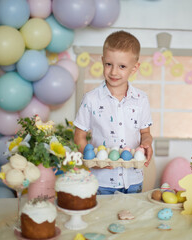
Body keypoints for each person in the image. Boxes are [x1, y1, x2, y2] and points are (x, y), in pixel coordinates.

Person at [74, 30, 153, 195]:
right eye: (109, 64)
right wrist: (91, 160)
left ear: (134, 67)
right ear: (102, 61)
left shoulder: (141, 99)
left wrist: (147, 143)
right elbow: (79, 135)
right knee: (101, 219)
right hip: (101, 181)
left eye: (122, 66)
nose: (114, 72)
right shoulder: (91, 99)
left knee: (131, 219)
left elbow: (145, 132)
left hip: (133, 180)